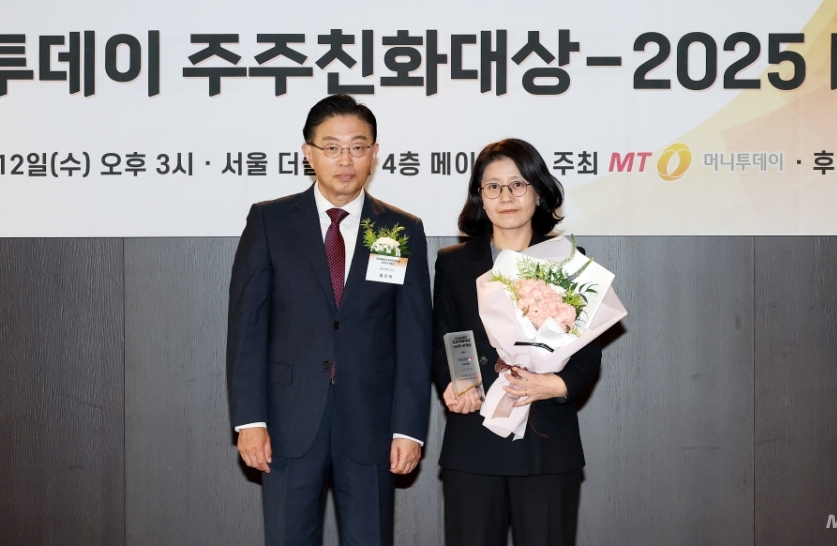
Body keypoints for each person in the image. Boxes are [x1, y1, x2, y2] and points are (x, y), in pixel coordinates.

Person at [227, 94, 431, 546]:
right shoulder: (270, 221)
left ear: (374, 153)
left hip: (372, 423)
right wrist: (250, 420)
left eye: (358, 147)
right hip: (287, 421)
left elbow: (413, 336)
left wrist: (408, 428)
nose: (345, 159)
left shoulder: (399, 229)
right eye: (332, 147)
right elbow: (247, 329)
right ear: (309, 153)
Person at [433, 138, 602, 546]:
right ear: (480, 196)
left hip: (547, 442)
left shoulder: (569, 260)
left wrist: (557, 385)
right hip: (475, 441)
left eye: (518, 184)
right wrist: (455, 383)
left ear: (538, 192)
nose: (506, 196)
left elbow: (588, 351)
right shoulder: (454, 263)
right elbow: (445, 337)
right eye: (493, 186)